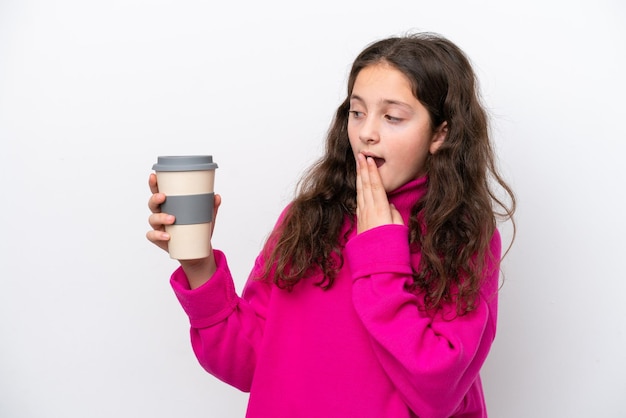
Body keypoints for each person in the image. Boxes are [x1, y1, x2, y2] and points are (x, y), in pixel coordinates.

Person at [147, 31, 516, 418]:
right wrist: (198, 264)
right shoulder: (307, 218)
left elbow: (439, 390)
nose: (366, 133)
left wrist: (380, 251)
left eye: (392, 117)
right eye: (357, 112)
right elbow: (252, 363)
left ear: (440, 134)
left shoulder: (462, 235)